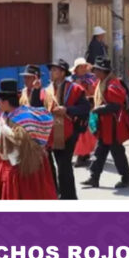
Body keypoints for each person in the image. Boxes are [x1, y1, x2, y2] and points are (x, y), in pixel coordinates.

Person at [0, 79, 57, 200]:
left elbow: (21, 140)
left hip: (25, 167)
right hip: (10, 163)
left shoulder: (23, 117)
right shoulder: (5, 116)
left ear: (6, 102)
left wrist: (5, 129)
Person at [81, 57, 129, 189]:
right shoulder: (102, 82)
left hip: (114, 125)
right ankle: (94, 177)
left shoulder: (113, 84)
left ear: (103, 71)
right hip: (105, 125)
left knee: (117, 153)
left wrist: (100, 109)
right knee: (99, 151)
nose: (94, 72)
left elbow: (116, 105)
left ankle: (126, 177)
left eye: (97, 70)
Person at [43, 59, 89, 200]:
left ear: (63, 73)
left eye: (55, 70)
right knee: (58, 165)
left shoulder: (74, 89)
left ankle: (69, 197)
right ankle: (61, 195)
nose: (51, 72)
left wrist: (67, 109)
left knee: (64, 166)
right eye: (51, 70)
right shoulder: (47, 90)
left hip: (68, 132)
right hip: (52, 132)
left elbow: (85, 108)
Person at [71, 58, 98, 167]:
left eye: (84, 66)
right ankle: (82, 155)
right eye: (80, 67)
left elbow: (91, 94)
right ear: (76, 69)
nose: (83, 69)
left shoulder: (90, 79)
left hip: (88, 109)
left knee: (87, 133)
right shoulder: (70, 80)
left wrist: (82, 86)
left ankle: (83, 155)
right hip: (75, 110)